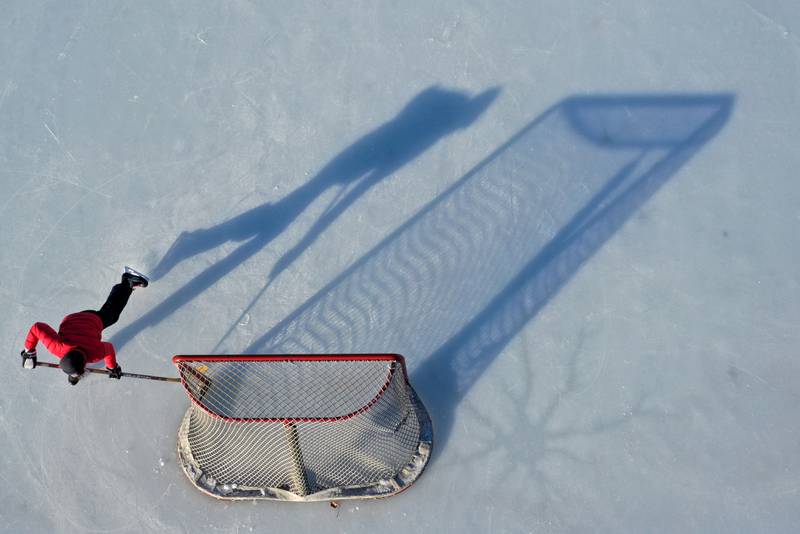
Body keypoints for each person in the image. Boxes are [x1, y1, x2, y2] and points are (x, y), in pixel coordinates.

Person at [20, 267, 149, 385]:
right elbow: (37, 328)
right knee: (106, 316)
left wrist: (112, 367)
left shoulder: (95, 354)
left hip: (92, 320)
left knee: (111, 315)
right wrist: (29, 351)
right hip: (71, 320)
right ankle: (74, 373)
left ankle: (127, 281)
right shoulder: (57, 348)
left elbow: (109, 349)